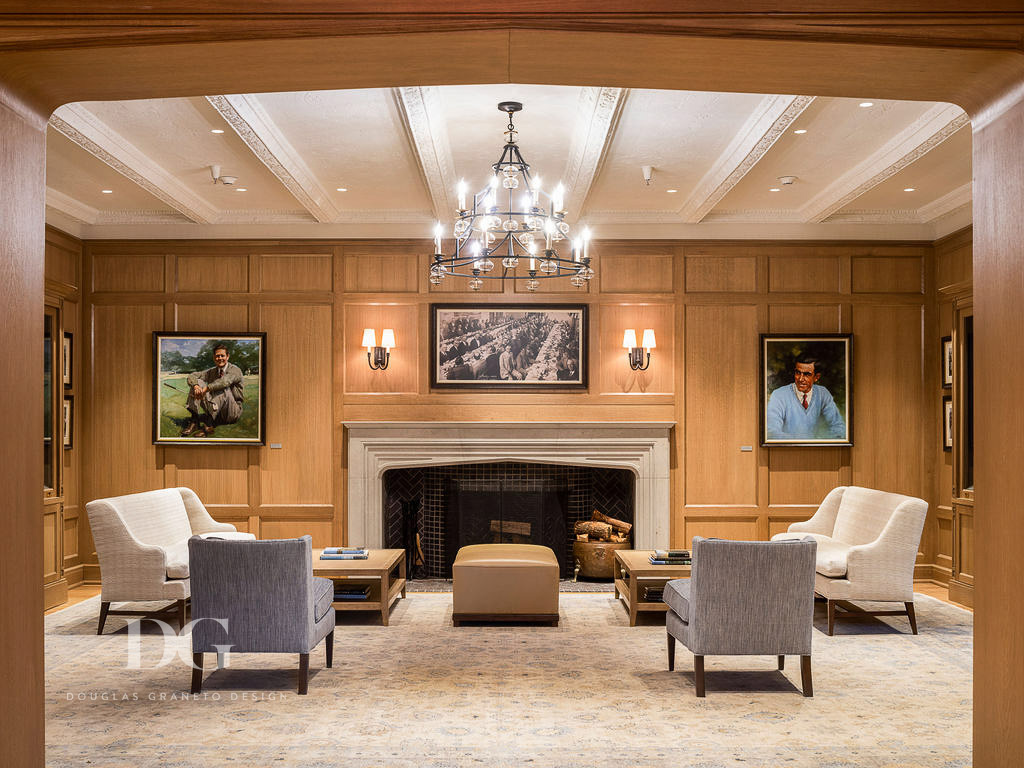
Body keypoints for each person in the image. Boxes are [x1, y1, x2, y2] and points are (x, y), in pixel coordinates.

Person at [765, 358, 845, 440]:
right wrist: (802, 443)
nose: (800, 379)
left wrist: (819, 443)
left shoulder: (822, 393)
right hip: (788, 449)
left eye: (807, 374)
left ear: (816, 377)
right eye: (798, 373)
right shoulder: (779, 395)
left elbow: (839, 427)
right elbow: (771, 432)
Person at [181, 344, 245, 436]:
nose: (220, 358)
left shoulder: (235, 370)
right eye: (217, 356)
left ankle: (208, 425)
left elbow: (224, 382)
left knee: (223, 387)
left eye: (222, 356)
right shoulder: (212, 371)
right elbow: (192, 376)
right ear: (214, 358)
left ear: (227, 356)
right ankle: (194, 421)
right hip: (216, 409)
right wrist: (196, 386)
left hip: (232, 411)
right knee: (197, 382)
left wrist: (206, 389)